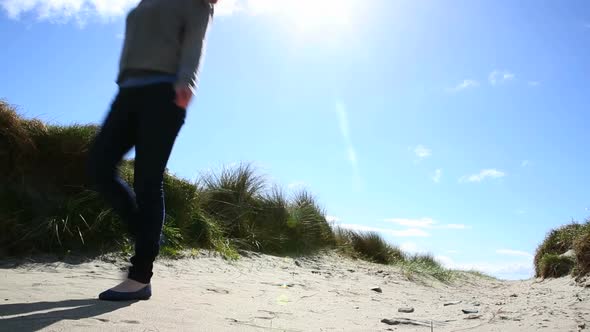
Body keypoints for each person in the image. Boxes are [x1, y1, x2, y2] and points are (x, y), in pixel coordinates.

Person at [87, 0, 216, 301]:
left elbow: (196, 41)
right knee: (99, 167)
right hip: (128, 91)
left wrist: (187, 81)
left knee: (147, 180)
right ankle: (146, 235)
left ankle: (140, 277)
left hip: (166, 92)